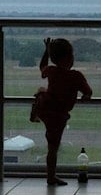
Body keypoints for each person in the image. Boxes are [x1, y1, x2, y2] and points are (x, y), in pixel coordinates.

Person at [30, 37, 93, 186]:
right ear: (69, 57)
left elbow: (42, 67)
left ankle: (36, 110)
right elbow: (88, 91)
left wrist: (46, 51)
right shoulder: (76, 76)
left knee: (42, 93)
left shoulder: (51, 71)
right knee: (53, 148)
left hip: (47, 108)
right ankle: (51, 176)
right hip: (58, 115)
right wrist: (86, 96)